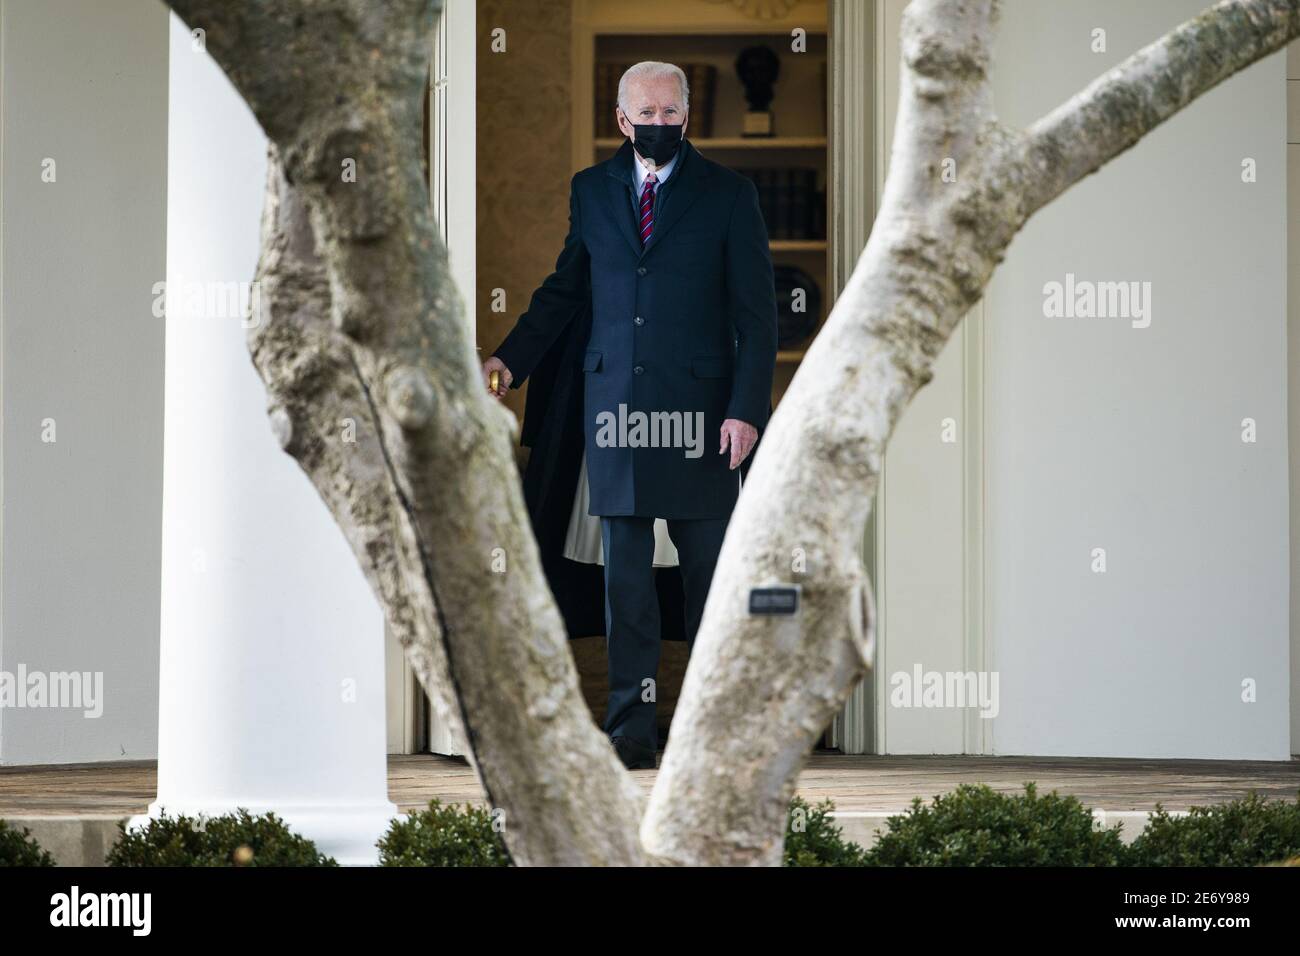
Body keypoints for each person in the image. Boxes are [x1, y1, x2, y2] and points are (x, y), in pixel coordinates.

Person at [483, 61, 778, 769]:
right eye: (647, 114)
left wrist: (745, 411)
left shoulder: (730, 195)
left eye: (671, 114)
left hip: (706, 423)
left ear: (686, 117)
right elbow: (563, 292)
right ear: (623, 120)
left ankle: (712, 734)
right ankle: (631, 730)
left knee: (709, 584)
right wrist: (507, 360)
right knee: (627, 590)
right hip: (613, 415)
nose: (659, 125)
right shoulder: (592, 191)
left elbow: (757, 316)